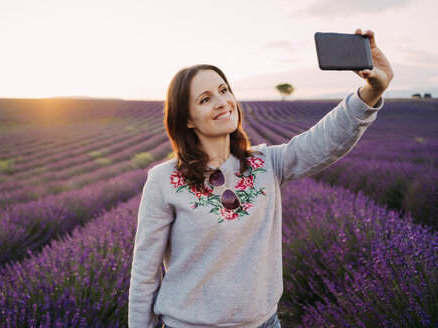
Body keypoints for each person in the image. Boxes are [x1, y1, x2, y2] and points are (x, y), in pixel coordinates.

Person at [128, 29, 393, 328]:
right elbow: (145, 276)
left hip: (265, 322)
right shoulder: (164, 181)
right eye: (205, 99)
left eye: (224, 90)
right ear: (186, 119)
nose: (222, 101)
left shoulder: (265, 163)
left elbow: (324, 140)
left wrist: (372, 91)